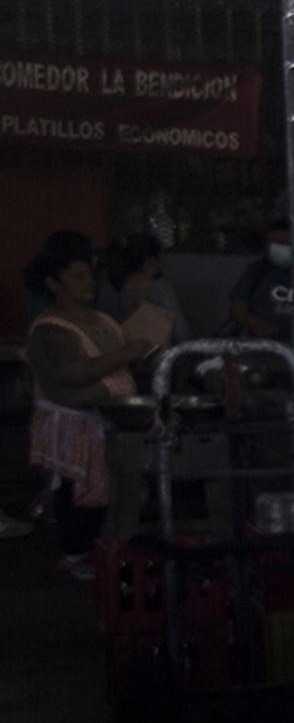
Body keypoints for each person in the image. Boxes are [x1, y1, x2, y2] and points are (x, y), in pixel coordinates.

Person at [24, 231, 150, 578]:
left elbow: (117, 362)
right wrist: (126, 353)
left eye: (90, 274)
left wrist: (141, 352)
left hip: (108, 419)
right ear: (53, 283)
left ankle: (100, 551)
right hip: (73, 422)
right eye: (77, 276)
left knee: (105, 495)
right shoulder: (50, 329)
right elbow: (72, 374)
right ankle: (75, 555)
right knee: (77, 492)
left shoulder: (103, 320)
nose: (89, 282)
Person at [99, 235, 191, 359]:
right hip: (157, 369)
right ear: (150, 263)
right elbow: (182, 335)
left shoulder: (106, 290)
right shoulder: (160, 290)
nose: (162, 265)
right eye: (160, 260)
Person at [227, 216, 294, 340]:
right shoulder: (257, 270)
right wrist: (256, 324)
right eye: (275, 244)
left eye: (285, 243)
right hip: (264, 345)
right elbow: (237, 308)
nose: (281, 248)